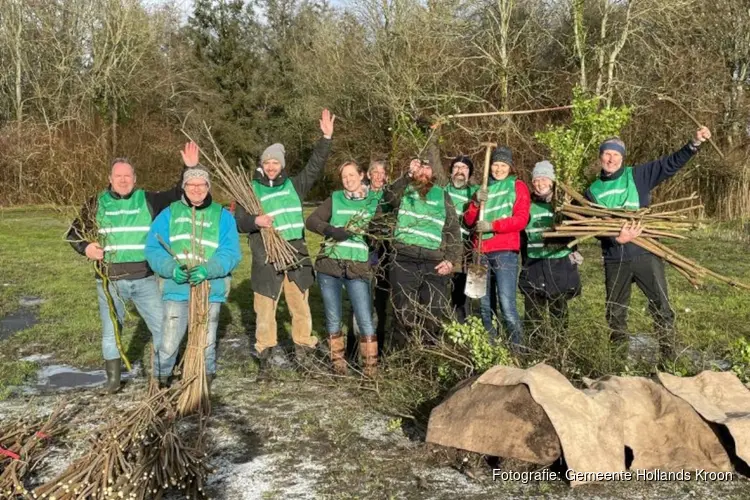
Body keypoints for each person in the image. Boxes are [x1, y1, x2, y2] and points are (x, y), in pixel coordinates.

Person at [66, 145, 195, 393]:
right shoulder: (96, 203)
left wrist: (188, 168)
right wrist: (86, 247)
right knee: (111, 331)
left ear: (135, 179)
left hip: (145, 280)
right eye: (118, 176)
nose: (123, 180)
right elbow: (73, 234)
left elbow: (178, 193)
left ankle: (164, 374)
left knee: (162, 327)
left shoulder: (148, 199)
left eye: (128, 176)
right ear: (110, 179)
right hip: (109, 281)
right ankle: (113, 381)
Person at [585, 127, 712, 362]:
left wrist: (694, 143)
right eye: (607, 154)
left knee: (661, 308)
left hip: (647, 254)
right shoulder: (591, 192)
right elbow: (588, 228)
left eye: (616, 155)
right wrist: (615, 238)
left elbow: (670, 164)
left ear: (622, 158)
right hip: (615, 259)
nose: (611, 159)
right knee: (615, 313)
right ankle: (618, 362)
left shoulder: (638, 175)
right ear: (600, 156)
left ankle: (669, 359)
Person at [234, 109, 335, 375]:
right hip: (266, 256)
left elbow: (314, 165)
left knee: (300, 306)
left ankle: (304, 350)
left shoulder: (295, 185)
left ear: (282, 165)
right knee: (265, 308)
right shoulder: (249, 190)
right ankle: (265, 355)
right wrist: (255, 221)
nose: (271, 166)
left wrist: (326, 138)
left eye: (275, 162)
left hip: (296, 253)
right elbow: (239, 221)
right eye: (267, 162)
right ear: (261, 164)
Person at [145, 166, 241, 387]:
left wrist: (209, 269)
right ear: (184, 187)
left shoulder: (223, 216)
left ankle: (202, 383)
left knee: (206, 342)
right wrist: (170, 269)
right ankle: (160, 383)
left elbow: (231, 252)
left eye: (201, 184)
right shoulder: (169, 214)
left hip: (211, 289)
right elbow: (153, 248)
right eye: (191, 184)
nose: (196, 189)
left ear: (208, 187)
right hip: (175, 289)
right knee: (168, 343)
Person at [306, 161, 380, 376]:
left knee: (365, 318)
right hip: (330, 264)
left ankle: (370, 371)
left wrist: (374, 236)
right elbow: (312, 221)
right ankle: (338, 367)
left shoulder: (373, 201)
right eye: (344, 177)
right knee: (332, 317)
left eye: (351, 175)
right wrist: (330, 230)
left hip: (357, 267)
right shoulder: (335, 198)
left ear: (361, 175)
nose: (348, 180)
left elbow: (379, 228)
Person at [379, 157, 462, 343]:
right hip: (403, 259)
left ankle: (428, 359)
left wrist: (451, 259)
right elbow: (388, 197)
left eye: (427, 168)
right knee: (403, 313)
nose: (424, 172)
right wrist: (407, 176)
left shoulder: (442, 195)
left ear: (433, 172)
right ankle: (400, 360)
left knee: (432, 315)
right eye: (420, 168)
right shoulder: (404, 190)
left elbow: (453, 230)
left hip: (434, 262)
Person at [464, 146, 530, 349]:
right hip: (480, 253)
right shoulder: (482, 188)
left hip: (504, 253)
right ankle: (491, 349)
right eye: (495, 165)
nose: (498, 169)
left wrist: (494, 226)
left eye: (503, 165)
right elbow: (468, 221)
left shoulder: (518, 186)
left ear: (510, 167)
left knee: (507, 305)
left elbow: (521, 220)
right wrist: (475, 203)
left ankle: (516, 352)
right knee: (483, 306)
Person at [519, 161, 581, 342]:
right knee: (533, 316)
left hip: (559, 265)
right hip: (534, 264)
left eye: (544, 179)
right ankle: (535, 350)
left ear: (552, 181)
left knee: (558, 313)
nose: (540, 183)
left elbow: (576, 231)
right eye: (536, 180)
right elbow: (523, 235)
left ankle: (559, 350)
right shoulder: (527, 204)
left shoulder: (564, 204)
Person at [347, 160, 390, 360]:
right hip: (363, 249)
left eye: (382, 172)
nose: (379, 175)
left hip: (385, 251)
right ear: (369, 174)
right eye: (375, 172)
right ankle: (353, 346)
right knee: (359, 297)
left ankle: (377, 346)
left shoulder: (390, 196)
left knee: (380, 299)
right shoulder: (362, 193)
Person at [444, 155, 478, 323]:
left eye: (464, 168)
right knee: (442, 292)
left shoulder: (475, 193)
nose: (460, 171)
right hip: (443, 247)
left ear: (469, 173)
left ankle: (463, 328)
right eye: (456, 167)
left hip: (467, 249)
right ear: (451, 172)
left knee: (463, 295)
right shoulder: (442, 191)